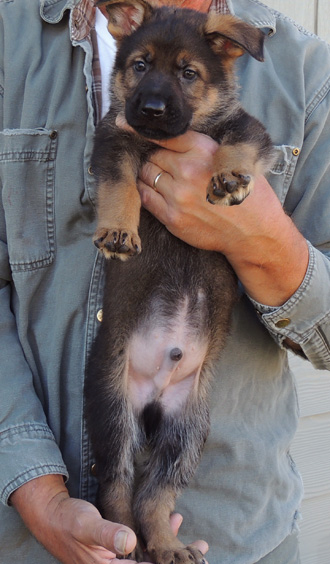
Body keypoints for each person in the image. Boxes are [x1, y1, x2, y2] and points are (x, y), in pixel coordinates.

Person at [0, 0, 329, 563]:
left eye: (185, 74)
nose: (156, 93)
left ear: (225, 60)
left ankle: (158, 516)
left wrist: (259, 237)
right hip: (34, 539)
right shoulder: (13, 38)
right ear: (120, 24)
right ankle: (118, 502)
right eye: (142, 69)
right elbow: (117, 160)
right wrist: (36, 489)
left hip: (242, 536)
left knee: (180, 439)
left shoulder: (304, 70)